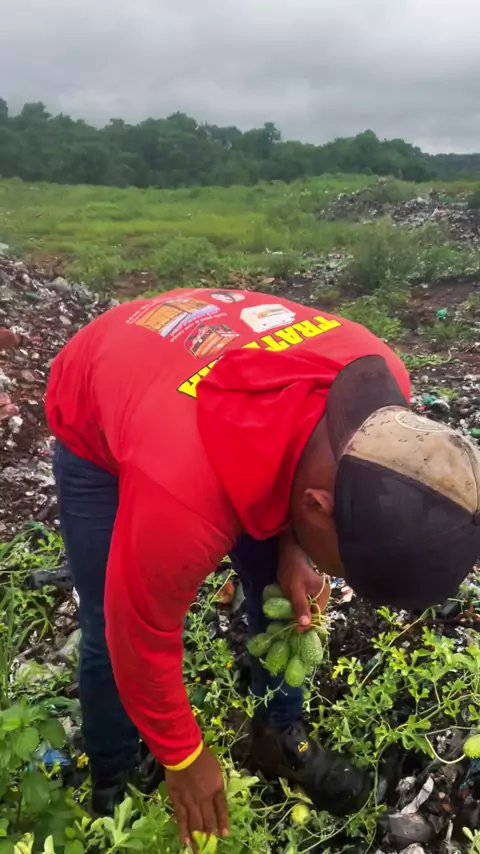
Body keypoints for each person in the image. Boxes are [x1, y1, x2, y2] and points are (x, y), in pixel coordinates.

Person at [45, 288, 480, 844]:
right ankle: (115, 772)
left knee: (285, 592)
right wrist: (183, 755)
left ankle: (277, 734)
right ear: (318, 506)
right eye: (347, 568)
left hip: (225, 397)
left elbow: (311, 480)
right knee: (108, 626)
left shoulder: (382, 391)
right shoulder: (179, 496)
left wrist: (294, 550)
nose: (339, 580)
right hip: (107, 391)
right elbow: (140, 632)